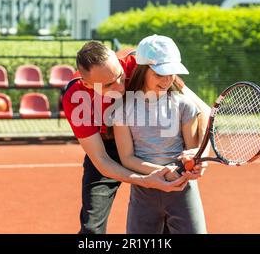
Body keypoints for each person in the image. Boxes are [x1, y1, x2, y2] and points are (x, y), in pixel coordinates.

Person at [62, 40, 210, 234]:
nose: (120, 87)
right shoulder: (75, 95)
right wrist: (145, 180)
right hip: (107, 148)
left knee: (167, 217)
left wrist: (200, 154)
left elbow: (202, 110)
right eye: (108, 85)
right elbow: (100, 159)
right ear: (87, 84)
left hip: (143, 142)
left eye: (120, 77)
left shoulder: (140, 64)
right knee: (92, 229)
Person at [112, 34, 207, 233]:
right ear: (143, 70)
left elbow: (192, 150)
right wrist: (160, 173)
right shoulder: (122, 110)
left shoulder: (184, 105)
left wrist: (195, 163)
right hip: (144, 195)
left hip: (183, 191)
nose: (166, 81)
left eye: (171, 73)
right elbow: (127, 158)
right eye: (159, 74)